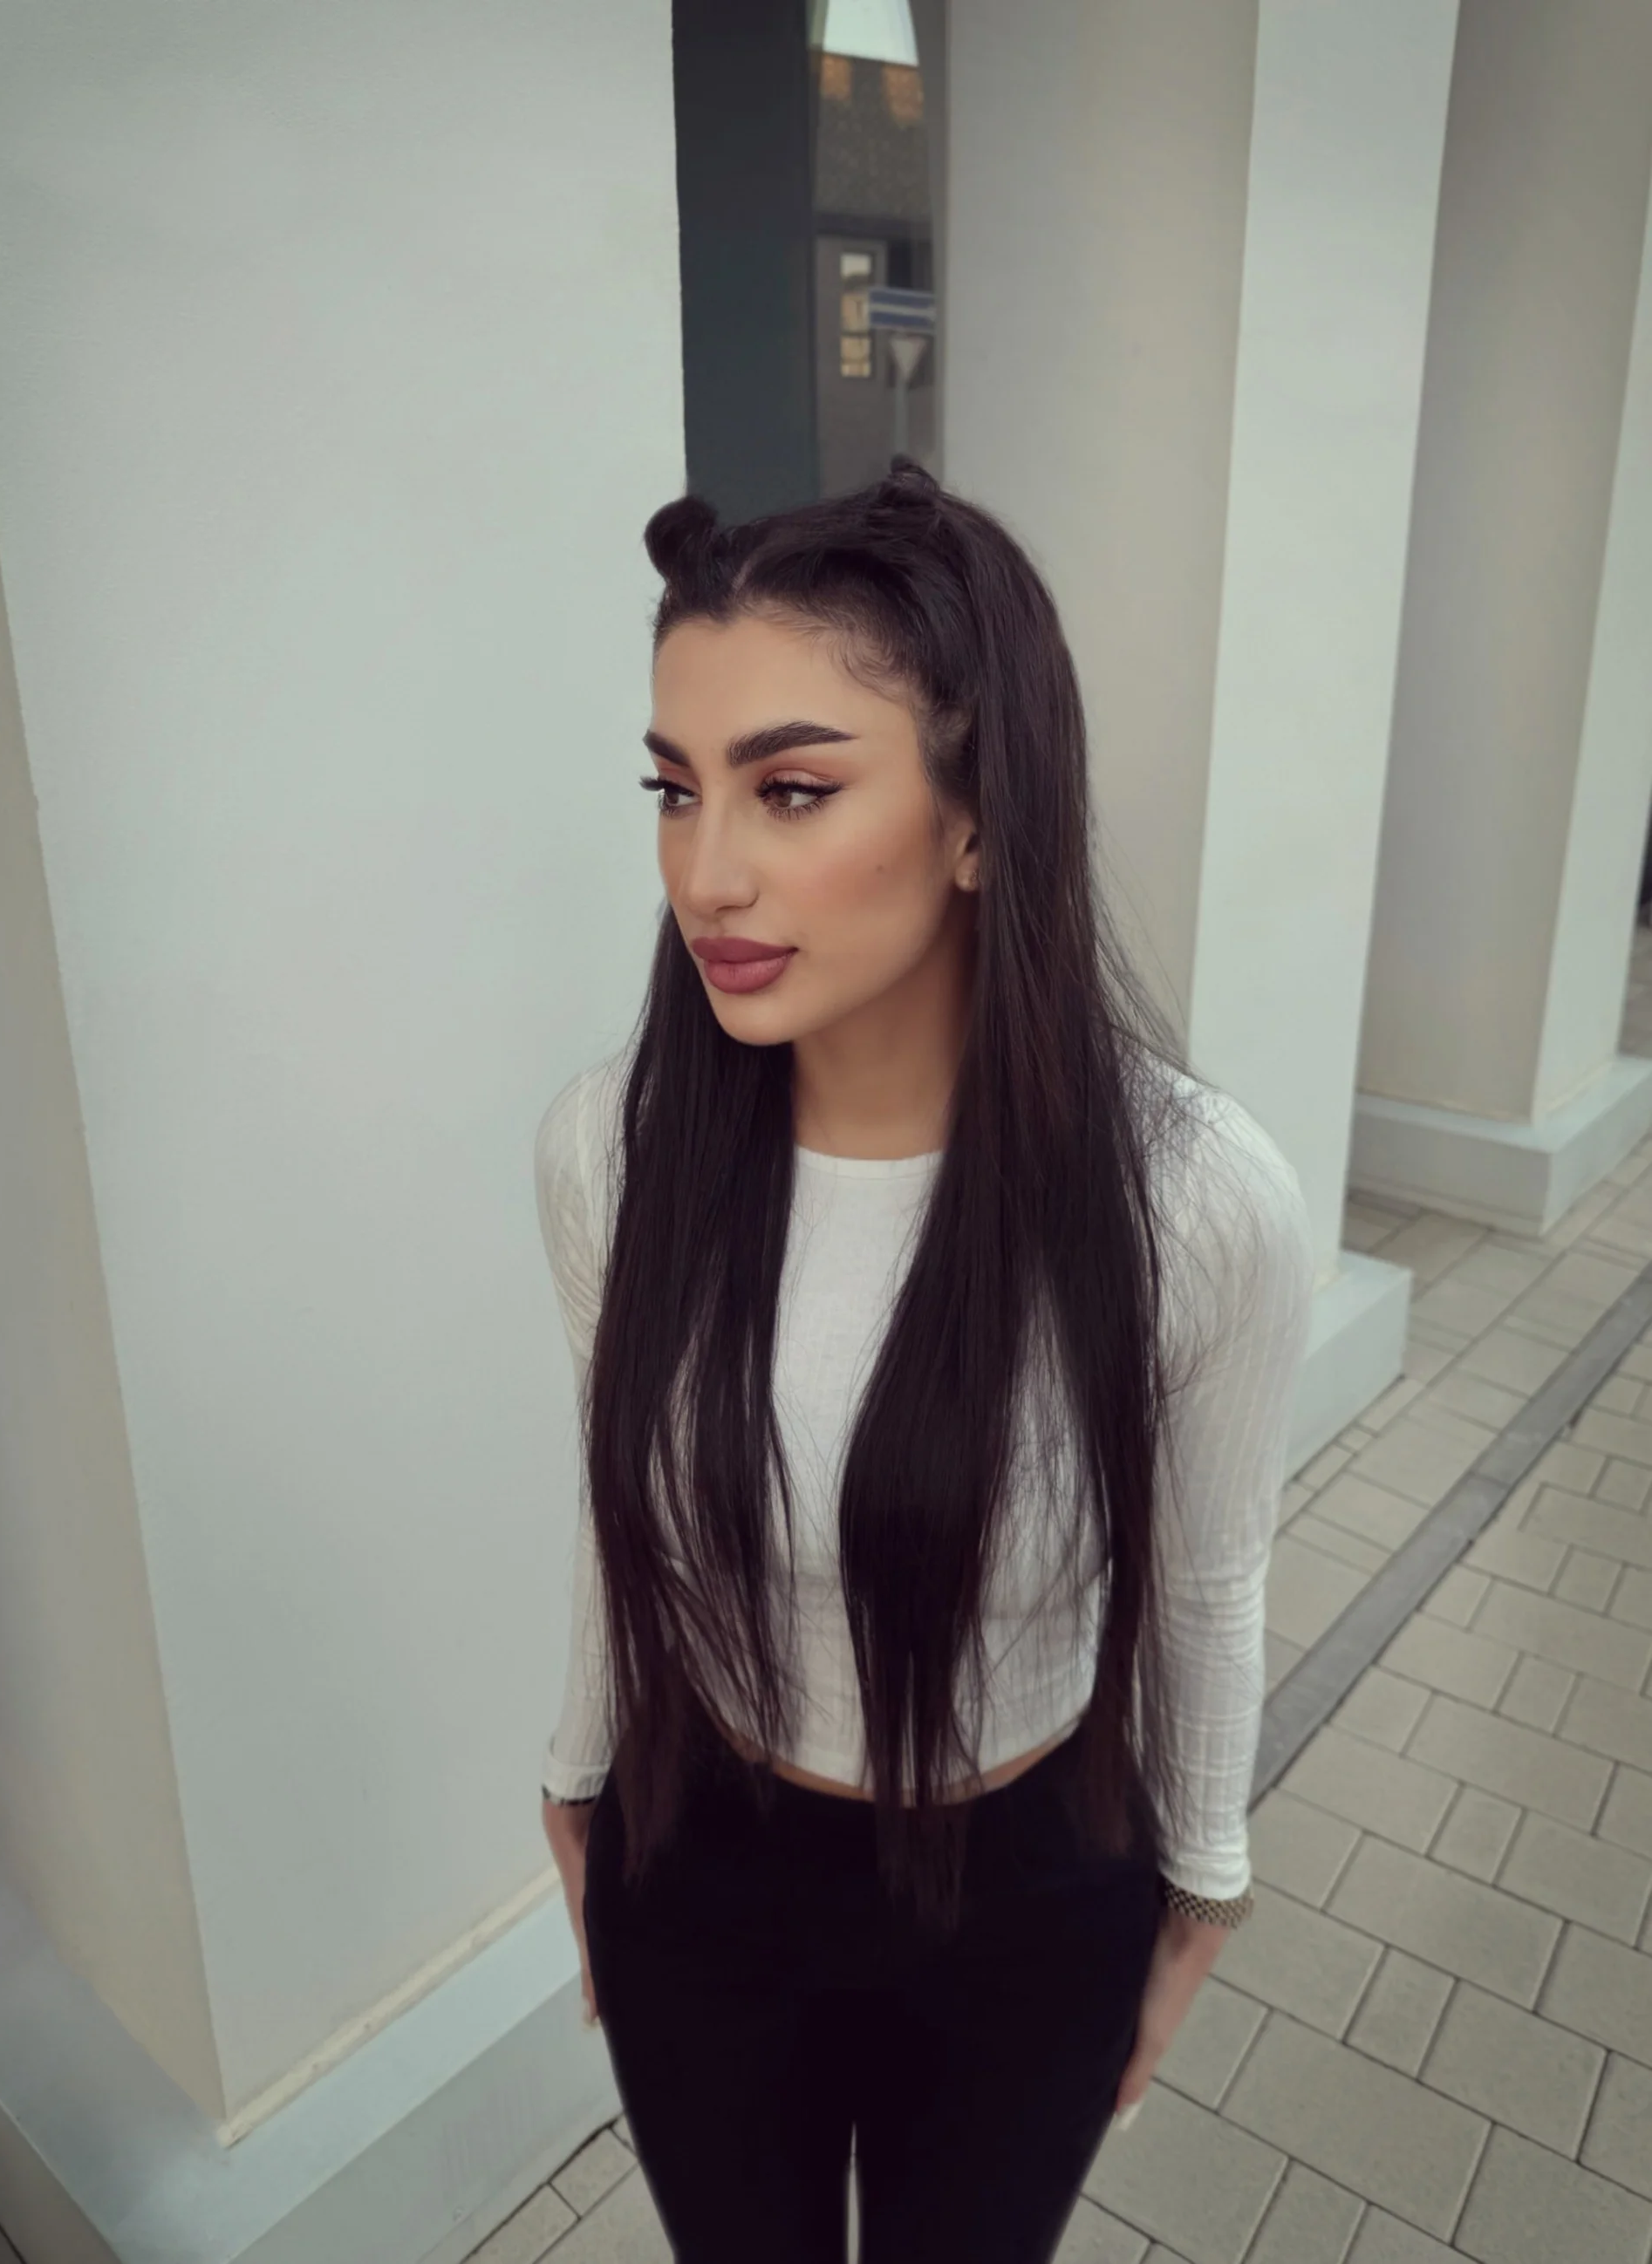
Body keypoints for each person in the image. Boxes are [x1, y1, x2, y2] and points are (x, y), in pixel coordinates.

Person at [535, 459, 1314, 2263]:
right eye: (674, 789)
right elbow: (613, 1499)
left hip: (1025, 1893)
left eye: (792, 789)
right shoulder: (614, 1153)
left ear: (979, 817)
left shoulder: (1192, 1204)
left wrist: (1205, 1883)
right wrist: (575, 1782)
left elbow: (1210, 1574)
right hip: (698, 1864)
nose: (706, 872)